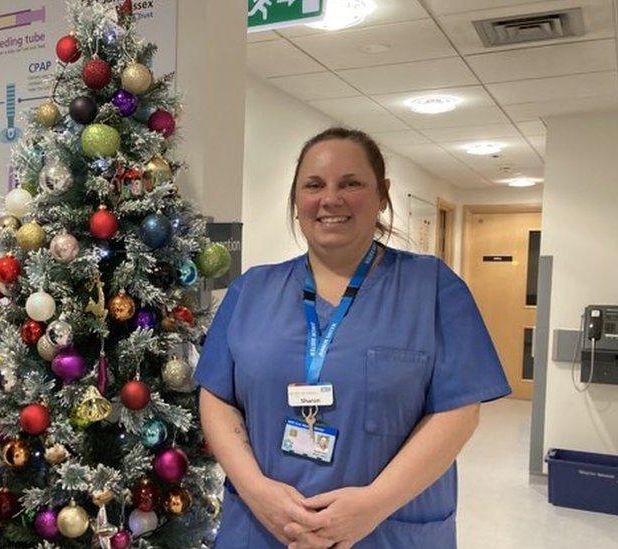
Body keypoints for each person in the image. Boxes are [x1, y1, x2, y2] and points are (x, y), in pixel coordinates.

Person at [196, 127, 510, 549]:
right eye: (314, 185)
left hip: (386, 530)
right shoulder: (251, 290)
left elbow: (458, 413)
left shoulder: (432, 288)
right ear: (296, 200)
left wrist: (373, 505)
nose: (330, 198)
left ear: (382, 195)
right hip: (264, 529)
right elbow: (216, 397)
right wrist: (256, 491)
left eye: (351, 183)